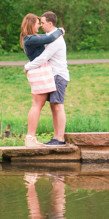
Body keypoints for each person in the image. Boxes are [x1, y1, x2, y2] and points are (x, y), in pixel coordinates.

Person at [24, 12, 69, 146]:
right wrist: (60, 31)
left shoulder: (55, 38)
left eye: (42, 23)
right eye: (39, 23)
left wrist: (27, 66)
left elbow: (44, 57)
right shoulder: (48, 36)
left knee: (58, 105)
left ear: (50, 23)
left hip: (58, 75)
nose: (41, 25)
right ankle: (56, 138)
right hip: (51, 75)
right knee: (53, 105)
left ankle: (59, 139)